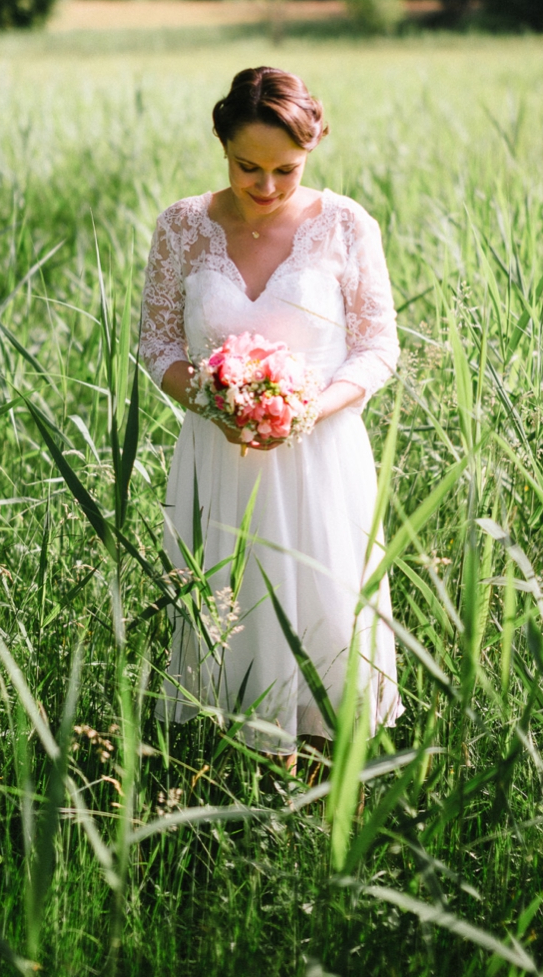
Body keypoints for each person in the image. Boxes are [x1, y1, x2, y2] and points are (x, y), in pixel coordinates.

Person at [137, 67, 402, 767]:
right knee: (231, 613)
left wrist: (308, 407)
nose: (265, 187)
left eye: (286, 170)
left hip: (320, 459)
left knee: (326, 620)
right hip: (218, 458)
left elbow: (378, 349)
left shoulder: (345, 224)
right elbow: (157, 343)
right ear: (222, 144)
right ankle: (236, 790)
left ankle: (327, 795)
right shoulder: (183, 226)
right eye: (246, 167)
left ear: (311, 150)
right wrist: (209, 397)